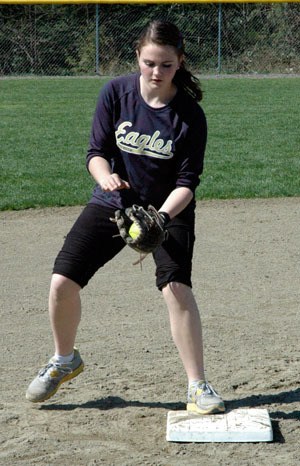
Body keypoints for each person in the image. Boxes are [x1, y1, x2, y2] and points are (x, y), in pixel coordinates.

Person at [26, 20, 225, 415]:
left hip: (168, 207)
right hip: (113, 202)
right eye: (149, 62)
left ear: (180, 62)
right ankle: (65, 359)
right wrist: (107, 178)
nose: (156, 72)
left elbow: (188, 182)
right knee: (62, 281)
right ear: (137, 56)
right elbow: (96, 152)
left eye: (166, 65)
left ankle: (198, 386)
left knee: (176, 289)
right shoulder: (115, 92)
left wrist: (163, 219)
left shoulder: (188, 116)